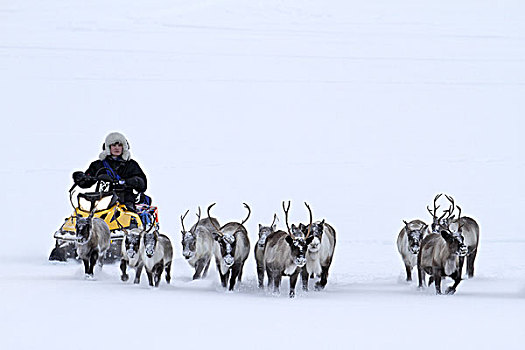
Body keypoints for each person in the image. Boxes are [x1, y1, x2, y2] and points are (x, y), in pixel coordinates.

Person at [72, 132, 147, 212]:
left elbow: (142, 184)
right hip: (101, 200)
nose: (117, 148)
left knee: (129, 219)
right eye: (114, 145)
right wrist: (80, 177)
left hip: (124, 200)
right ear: (108, 147)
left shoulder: (131, 164)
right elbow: (87, 181)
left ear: (124, 147)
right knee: (83, 216)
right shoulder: (98, 164)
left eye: (120, 145)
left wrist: (131, 181)